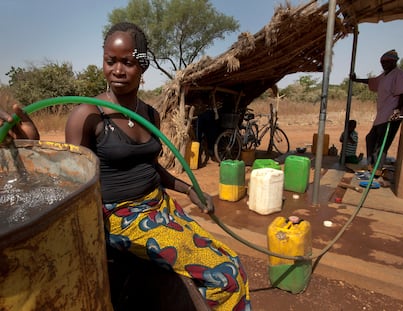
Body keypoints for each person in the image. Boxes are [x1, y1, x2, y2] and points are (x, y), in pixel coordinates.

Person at [0, 22, 250, 310]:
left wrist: (189, 190)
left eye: (128, 63)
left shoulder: (150, 115)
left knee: (232, 260)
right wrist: (31, 146)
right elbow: (71, 180)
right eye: (111, 61)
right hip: (121, 220)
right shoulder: (87, 115)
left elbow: (151, 168)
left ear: (142, 66)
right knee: (226, 277)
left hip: (161, 208)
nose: (117, 70)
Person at [351, 49, 403, 173]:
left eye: (386, 61)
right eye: (382, 62)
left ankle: (376, 169)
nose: (383, 64)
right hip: (382, 114)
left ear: (394, 61)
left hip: (392, 114)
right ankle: (372, 165)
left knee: (382, 144)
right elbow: (372, 82)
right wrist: (356, 80)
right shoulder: (384, 75)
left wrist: (397, 111)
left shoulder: (399, 75)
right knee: (371, 138)